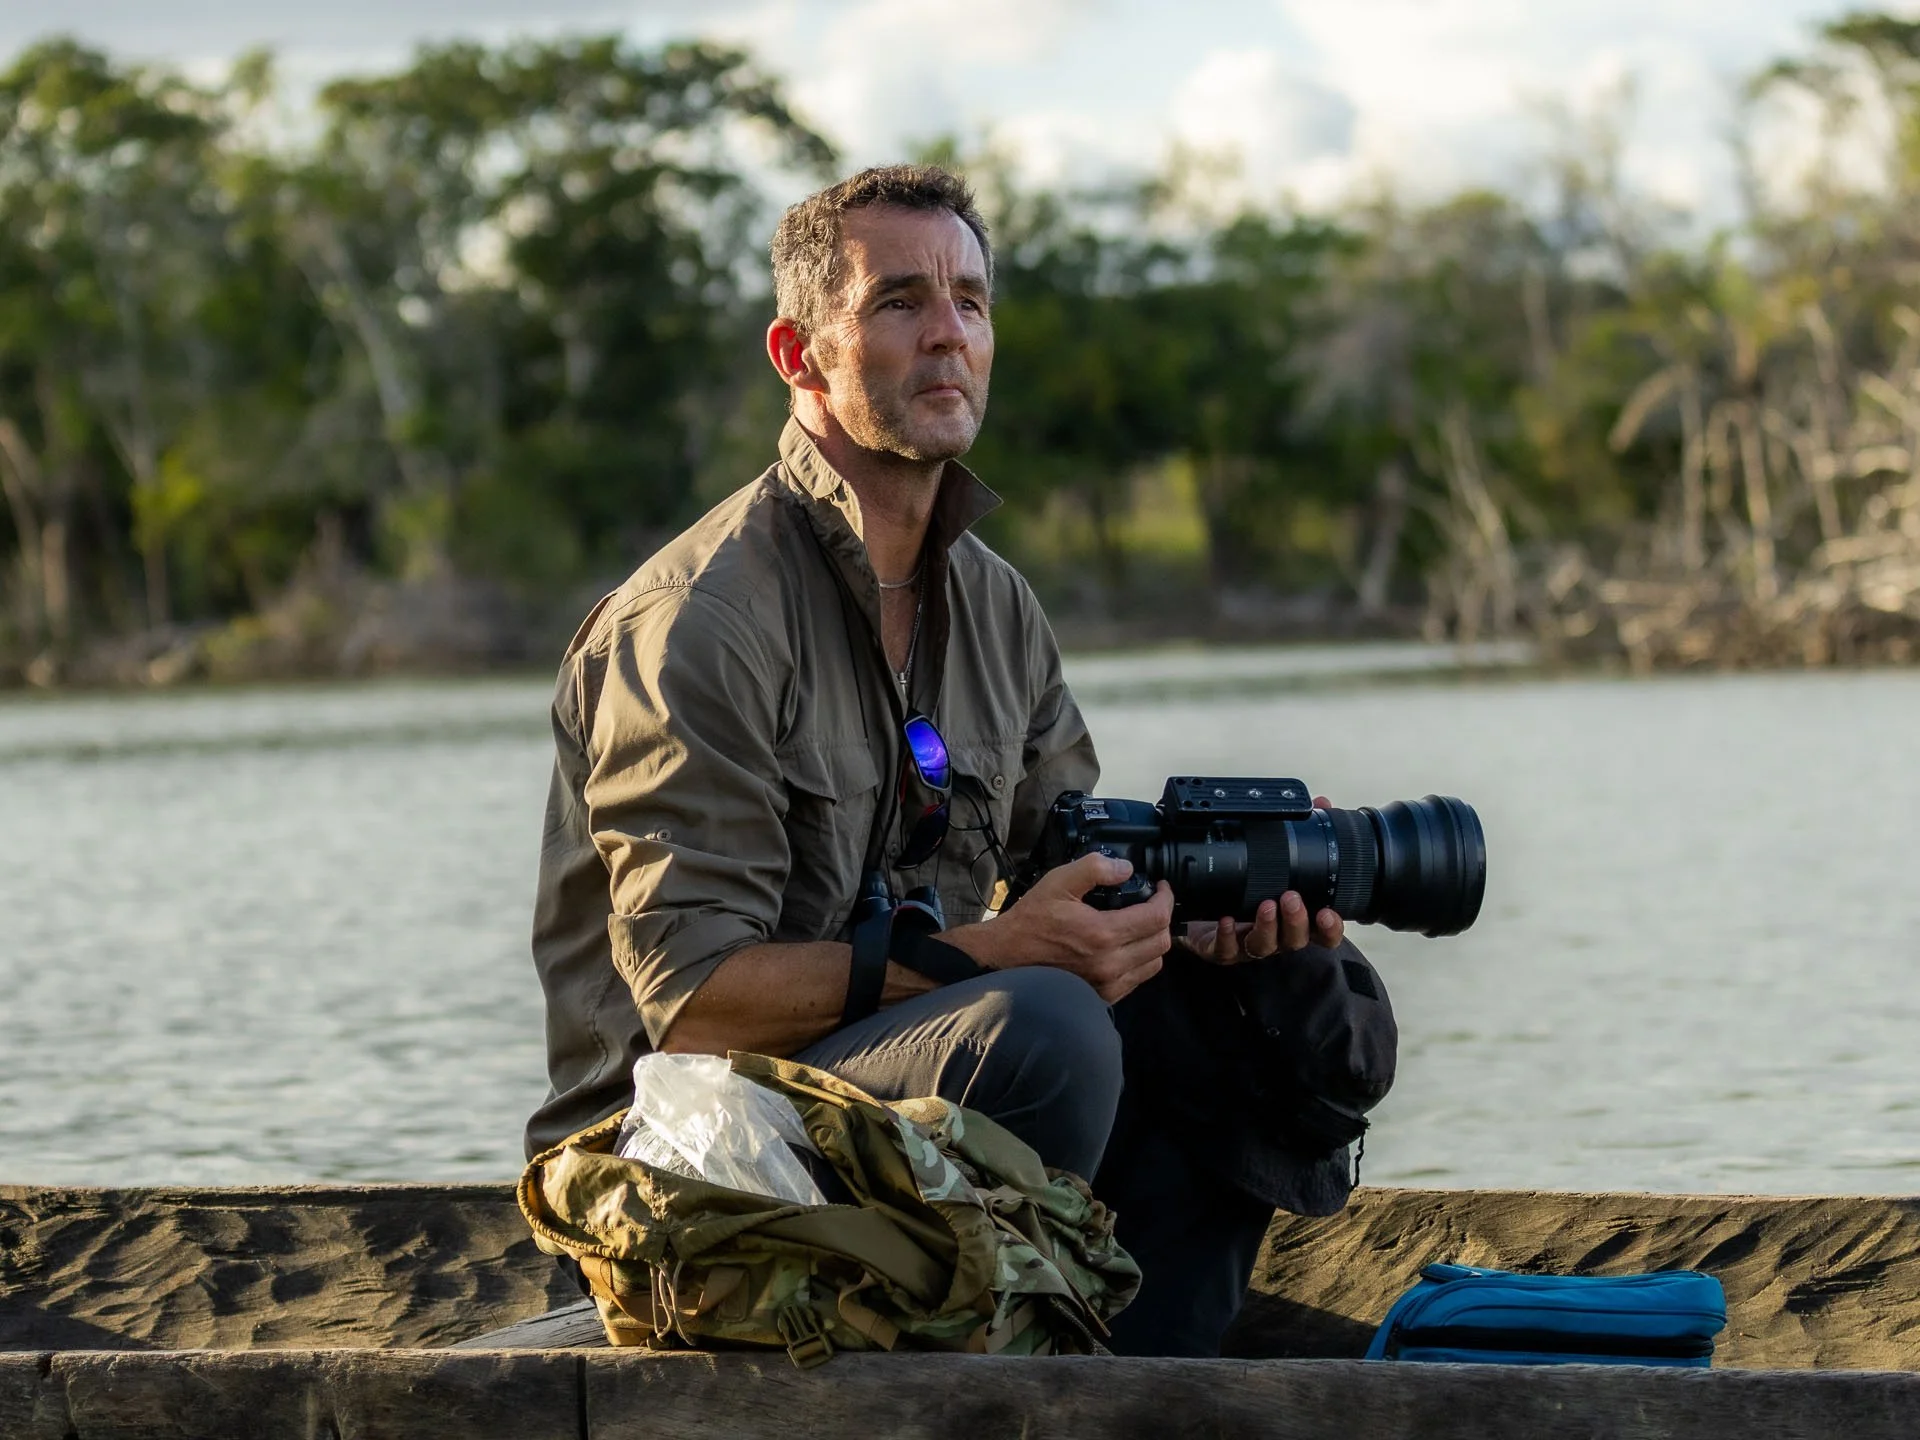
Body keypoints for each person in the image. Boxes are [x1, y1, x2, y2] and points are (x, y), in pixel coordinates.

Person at [525, 164, 1360, 1356]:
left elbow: (1071, 862)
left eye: (969, 301)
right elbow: (696, 1002)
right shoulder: (698, 620)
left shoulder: (997, 606)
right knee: (1046, 1027)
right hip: (686, 1153)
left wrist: (1207, 912)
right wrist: (996, 951)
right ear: (799, 354)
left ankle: (1149, 1375)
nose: (947, 336)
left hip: (888, 1099)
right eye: (899, 303)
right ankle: (1004, 1371)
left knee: (1234, 1003)